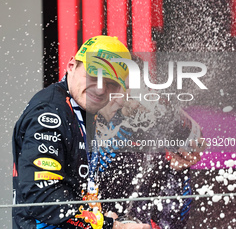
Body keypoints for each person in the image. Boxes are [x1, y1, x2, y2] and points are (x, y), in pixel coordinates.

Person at [12, 35, 151, 229]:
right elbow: (42, 197)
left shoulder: (82, 108)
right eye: (94, 75)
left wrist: (98, 216)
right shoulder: (51, 112)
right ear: (71, 66)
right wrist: (112, 226)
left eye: (110, 83)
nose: (101, 89)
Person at [95, 74, 204, 228]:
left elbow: (173, 222)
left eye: (128, 90)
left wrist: (179, 171)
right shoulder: (81, 130)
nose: (121, 98)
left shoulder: (153, 140)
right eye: (113, 86)